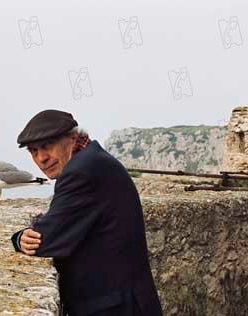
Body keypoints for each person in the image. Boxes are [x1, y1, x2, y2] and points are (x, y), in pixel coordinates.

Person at [10, 109, 163, 316]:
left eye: (47, 146)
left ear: (72, 138)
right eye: (33, 151)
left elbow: (46, 239)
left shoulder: (81, 172)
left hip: (114, 307)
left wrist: (18, 238)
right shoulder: (93, 159)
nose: (42, 158)